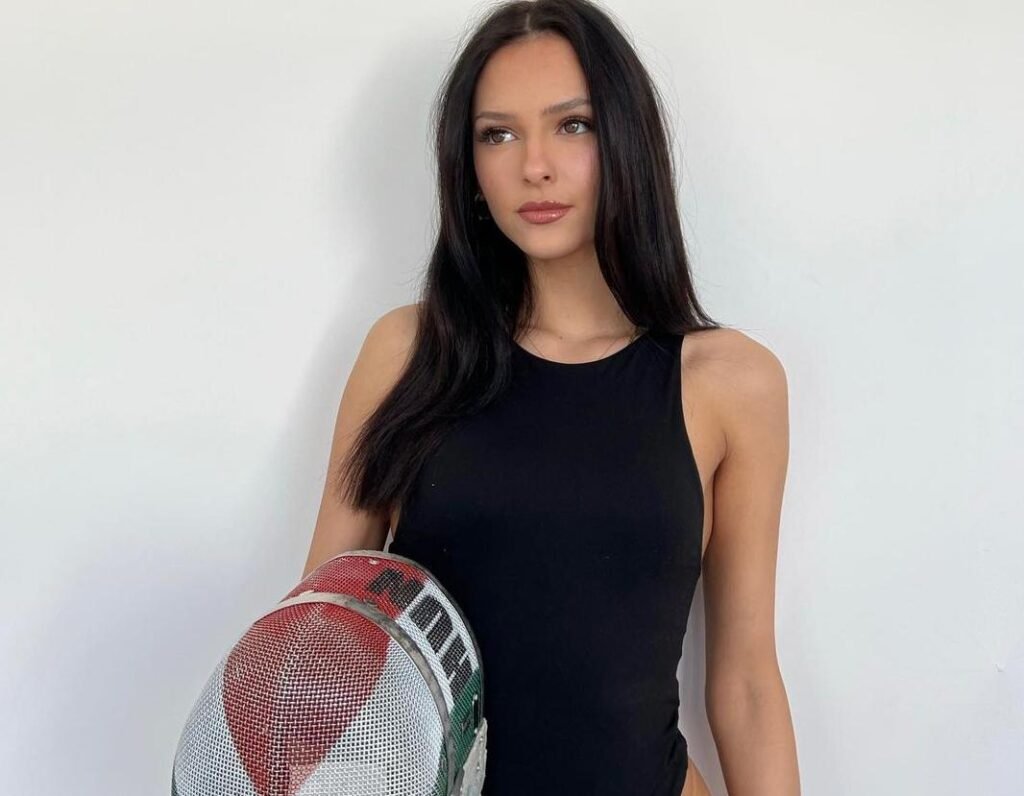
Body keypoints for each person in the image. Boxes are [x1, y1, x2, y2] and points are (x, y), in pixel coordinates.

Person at [302, 1, 800, 794]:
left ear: (627, 140)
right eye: (497, 134)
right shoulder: (407, 355)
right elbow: (316, 652)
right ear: (468, 166)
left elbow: (745, 683)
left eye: (573, 125)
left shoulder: (731, 383)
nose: (534, 165)